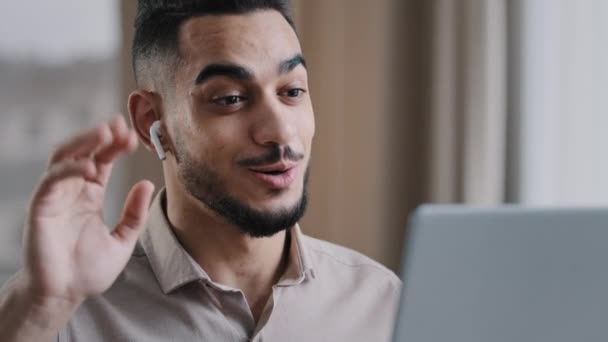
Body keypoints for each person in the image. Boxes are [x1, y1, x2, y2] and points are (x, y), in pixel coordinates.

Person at [0, 1, 401, 341]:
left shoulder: (384, 303)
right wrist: (41, 306)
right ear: (150, 121)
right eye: (229, 98)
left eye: (292, 91)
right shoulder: (63, 315)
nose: (280, 131)